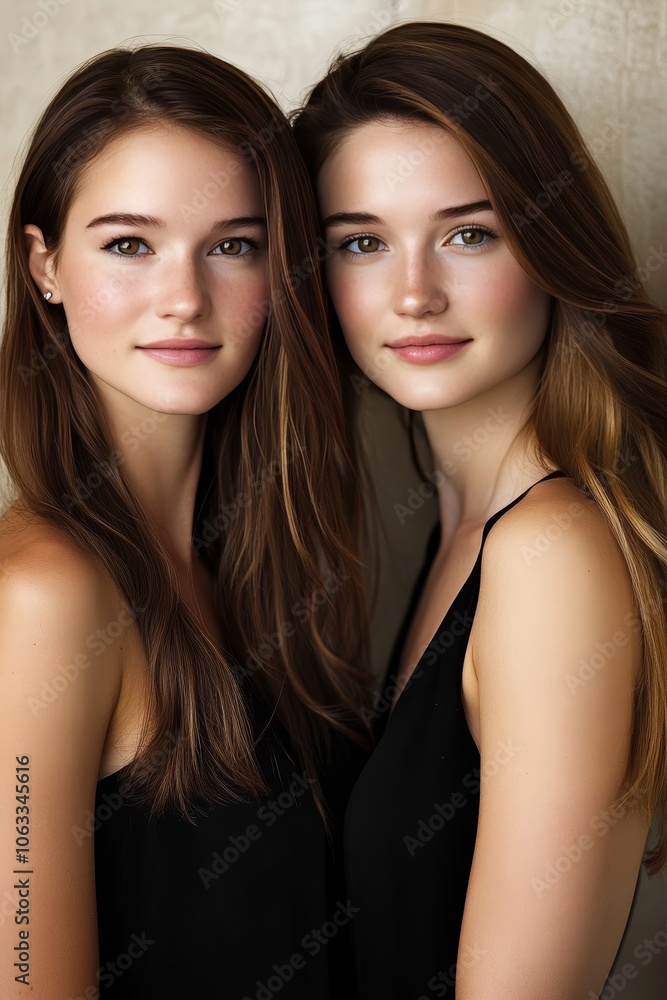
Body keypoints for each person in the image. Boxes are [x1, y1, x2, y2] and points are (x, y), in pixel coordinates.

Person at [292, 20, 667, 999]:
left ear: (550, 247)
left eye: (468, 232)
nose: (413, 293)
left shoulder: (549, 554)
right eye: (362, 242)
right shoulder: (458, 528)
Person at [0, 44, 370, 999]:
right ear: (43, 265)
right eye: (129, 243)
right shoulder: (46, 598)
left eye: (232, 245)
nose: (184, 299)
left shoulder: (257, 565)